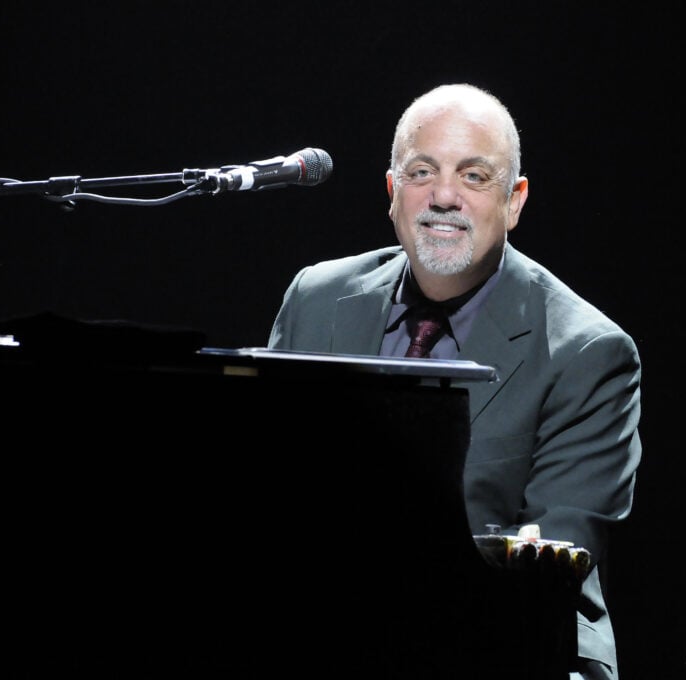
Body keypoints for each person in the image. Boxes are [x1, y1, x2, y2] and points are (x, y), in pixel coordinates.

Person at [266, 83, 642, 679]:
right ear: (392, 193)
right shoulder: (315, 300)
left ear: (514, 201)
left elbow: (545, 568)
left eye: (474, 176)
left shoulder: (587, 352)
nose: (443, 196)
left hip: (512, 641)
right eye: (421, 172)